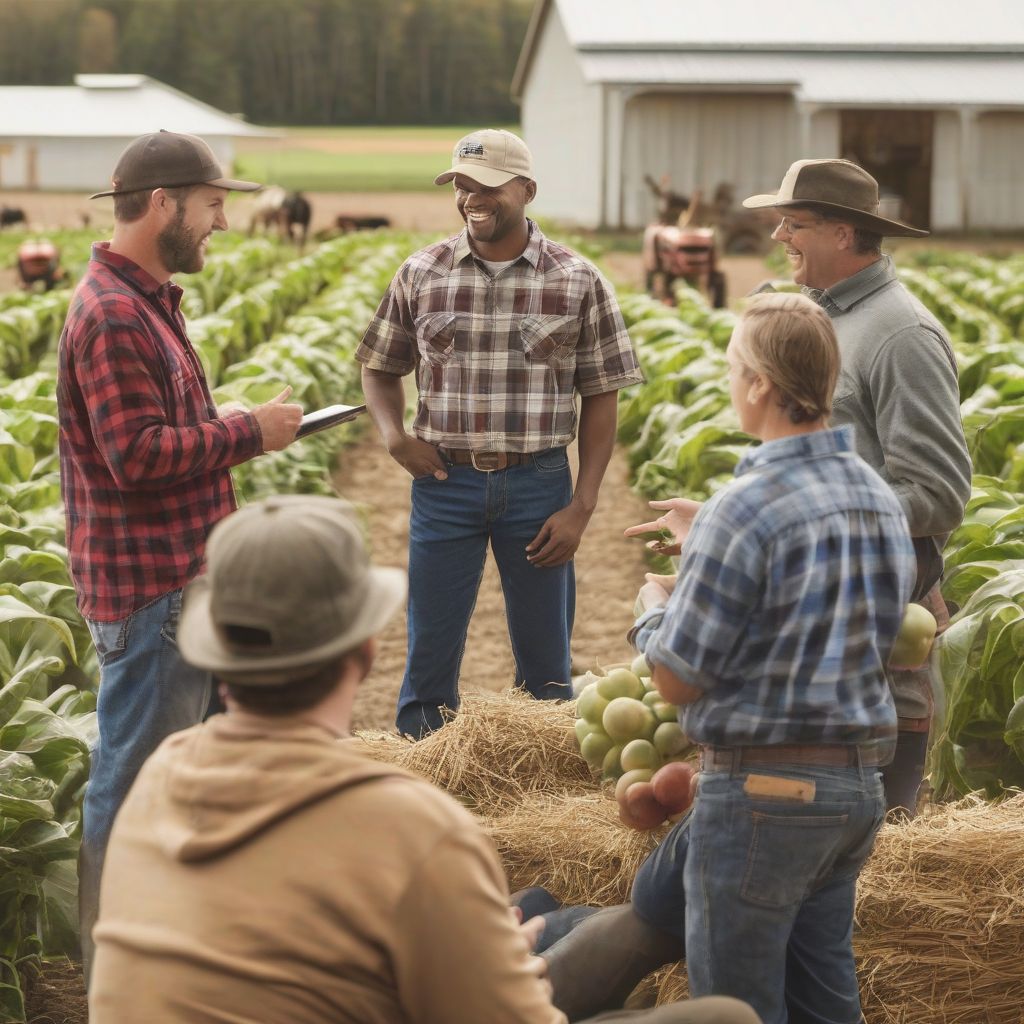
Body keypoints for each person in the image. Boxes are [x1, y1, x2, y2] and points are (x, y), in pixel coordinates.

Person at [88, 494, 759, 1024]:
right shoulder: (407, 826)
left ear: (216, 660)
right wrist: (504, 972)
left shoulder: (160, 776)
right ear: (367, 652)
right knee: (723, 1014)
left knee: (536, 907)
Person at [544, 293, 917, 1024]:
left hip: (762, 797)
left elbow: (678, 678)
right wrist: (706, 549)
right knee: (825, 1000)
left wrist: (657, 609)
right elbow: (828, 619)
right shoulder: (877, 498)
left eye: (732, 368)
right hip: (853, 793)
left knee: (732, 1009)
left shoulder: (741, 508)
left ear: (760, 385)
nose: (728, 382)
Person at [630, 158, 972, 816]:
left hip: (872, 648)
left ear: (843, 235)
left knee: (865, 856)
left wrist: (787, 524)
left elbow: (938, 493)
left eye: (794, 223)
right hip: (817, 636)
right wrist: (736, 526)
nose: (778, 236)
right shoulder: (822, 315)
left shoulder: (901, 334)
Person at [56, 130, 304, 973]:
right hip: (152, 591)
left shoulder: (148, 303)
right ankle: (109, 980)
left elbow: (156, 434)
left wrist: (227, 428)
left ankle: (173, 957)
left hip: (177, 583)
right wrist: (249, 433)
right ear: (163, 205)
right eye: (211, 205)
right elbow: (137, 457)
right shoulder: (115, 314)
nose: (223, 223)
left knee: (183, 785)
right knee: (129, 792)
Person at [357, 128, 643, 739]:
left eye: (487, 186)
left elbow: (602, 394)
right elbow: (379, 367)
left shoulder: (577, 279)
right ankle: (422, 772)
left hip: (539, 484)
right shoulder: (422, 272)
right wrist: (393, 436)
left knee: (546, 662)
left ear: (527, 190)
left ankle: (545, 792)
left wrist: (582, 504)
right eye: (461, 185)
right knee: (429, 651)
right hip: (444, 484)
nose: (471, 198)